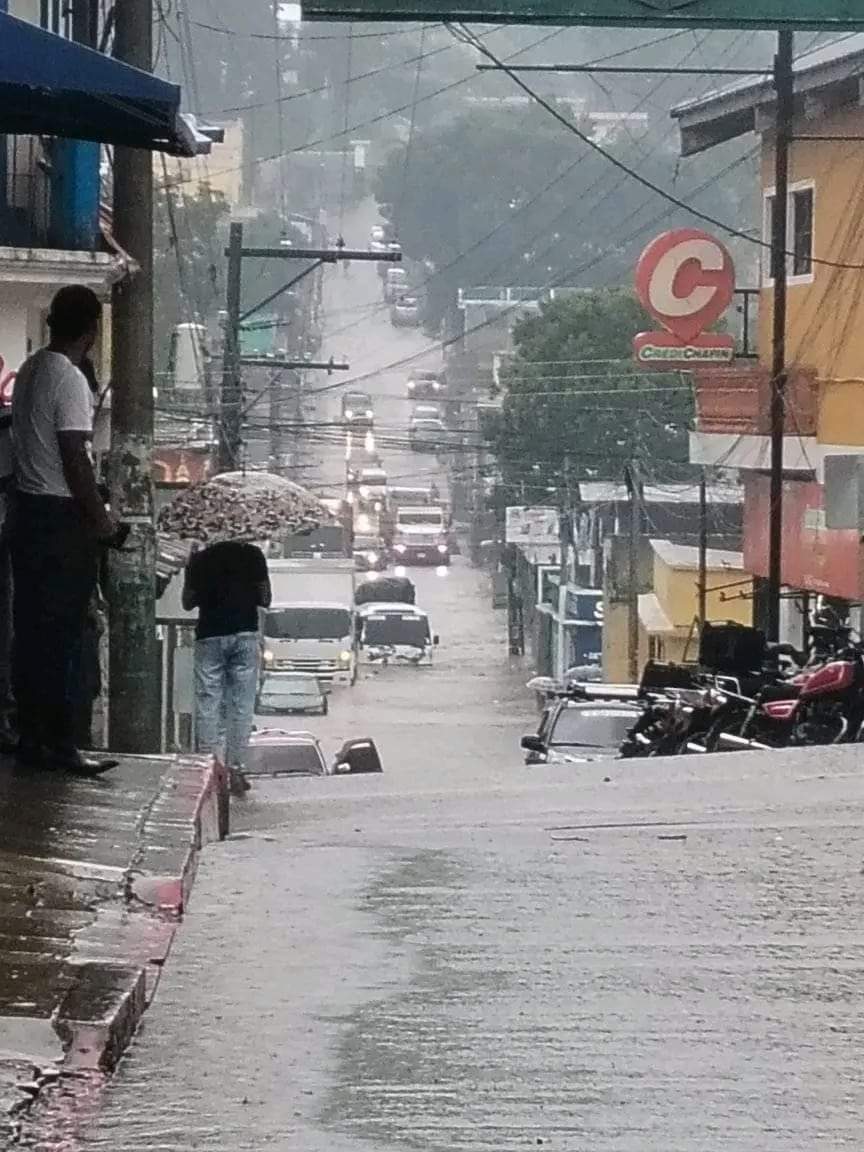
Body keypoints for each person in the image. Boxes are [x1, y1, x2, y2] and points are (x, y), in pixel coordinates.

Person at [10, 285, 119, 775]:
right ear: (91, 331)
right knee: (65, 637)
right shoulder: (70, 379)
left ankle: (32, 735)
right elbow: (75, 457)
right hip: (59, 520)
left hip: (26, 513)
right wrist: (102, 521)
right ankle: (61, 742)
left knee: (31, 633)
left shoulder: (32, 369)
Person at [182, 538, 271, 796]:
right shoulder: (253, 555)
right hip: (245, 634)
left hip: (209, 635)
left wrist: (193, 570)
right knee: (241, 705)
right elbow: (265, 598)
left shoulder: (200, 559)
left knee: (208, 702)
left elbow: (187, 603)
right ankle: (237, 769)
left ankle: (208, 768)